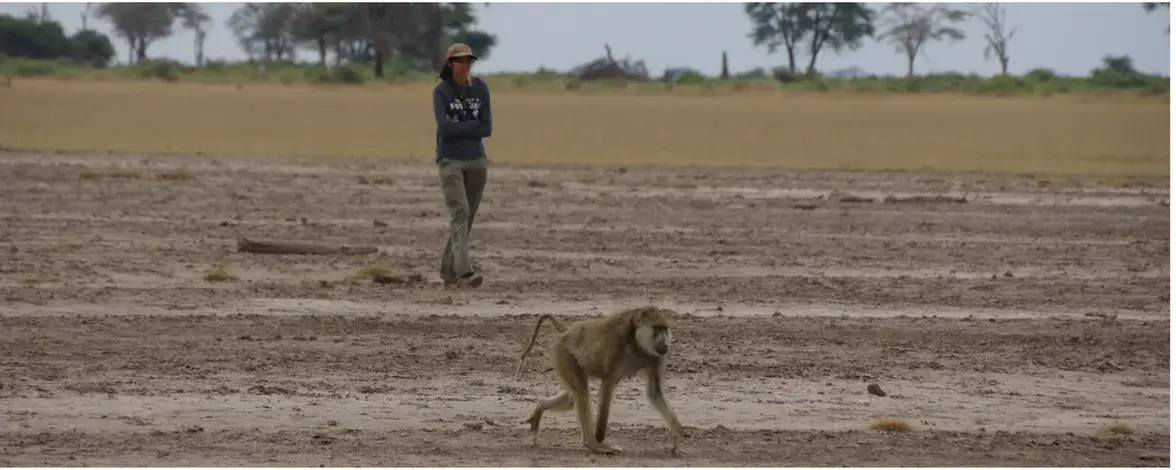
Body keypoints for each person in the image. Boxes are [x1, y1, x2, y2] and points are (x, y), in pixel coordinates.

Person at [433, 43, 492, 288]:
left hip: (477, 160)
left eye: (469, 60)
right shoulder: (441, 91)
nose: (466, 65)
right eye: (461, 60)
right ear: (451, 63)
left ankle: (448, 271)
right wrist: (472, 125)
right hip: (450, 160)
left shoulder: (480, 89)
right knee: (460, 213)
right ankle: (464, 272)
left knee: (467, 217)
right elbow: (444, 129)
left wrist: (460, 126)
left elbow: (487, 128)